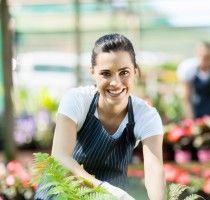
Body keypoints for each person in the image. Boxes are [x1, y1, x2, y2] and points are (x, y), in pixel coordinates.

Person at [34, 34, 165, 199]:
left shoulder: (146, 116)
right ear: (93, 73)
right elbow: (60, 157)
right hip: (62, 193)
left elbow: (154, 171)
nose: (115, 82)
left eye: (124, 72)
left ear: (135, 72)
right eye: (106, 74)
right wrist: (103, 189)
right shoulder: (77, 100)